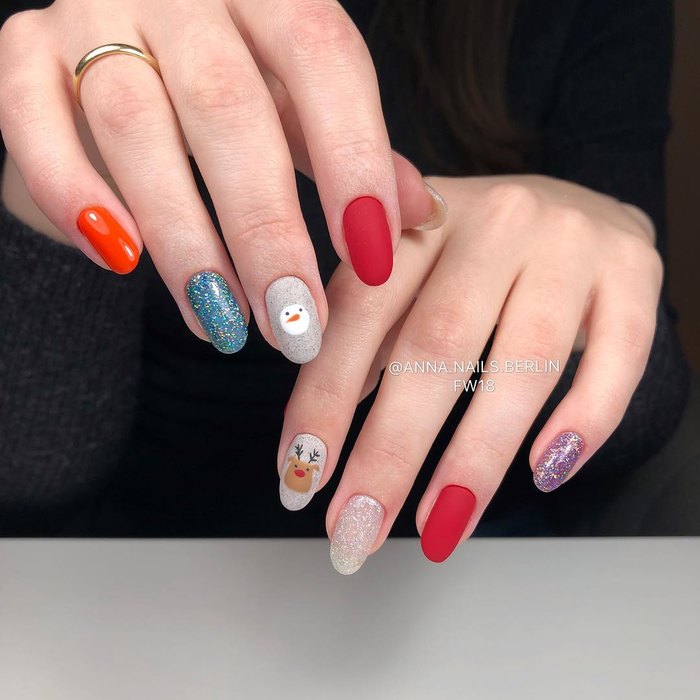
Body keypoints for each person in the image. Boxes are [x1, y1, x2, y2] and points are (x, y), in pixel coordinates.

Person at [0, 0, 694, 573]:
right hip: (113, 568)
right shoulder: (63, 31)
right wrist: (63, 186)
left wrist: (596, 244)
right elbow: (26, 483)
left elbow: (638, 427)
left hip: (475, 575)